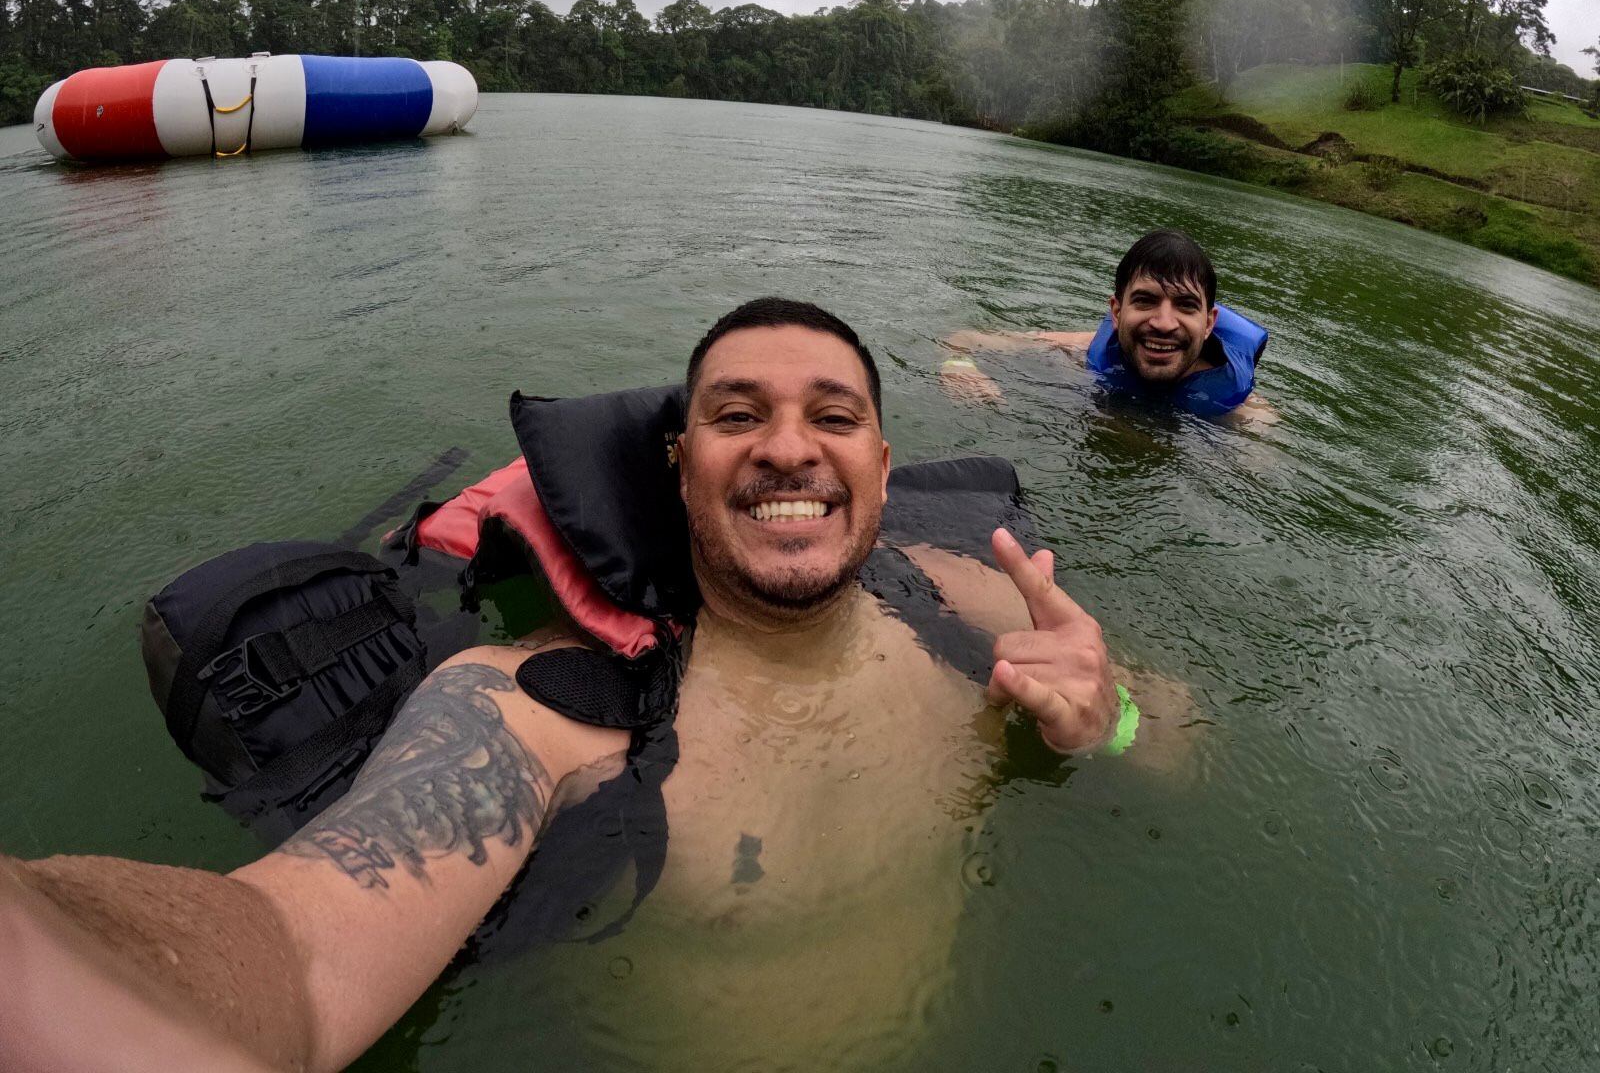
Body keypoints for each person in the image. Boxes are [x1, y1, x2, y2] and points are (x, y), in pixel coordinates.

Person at [1, 298, 1186, 1072]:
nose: (787, 445)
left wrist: (1111, 715)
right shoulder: (540, 714)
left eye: (833, 414)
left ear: (880, 462)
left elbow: (1185, 747)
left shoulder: (967, 596)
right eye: (736, 415)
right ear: (678, 467)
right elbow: (298, 954)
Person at [942, 227, 1274, 421]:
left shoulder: (1246, 413)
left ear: (1209, 323)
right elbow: (965, 338)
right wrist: (960, 365)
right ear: (1116, 311)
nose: (1163, 323)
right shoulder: (1079, 348)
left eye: (1186, 306)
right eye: (1145, 300)